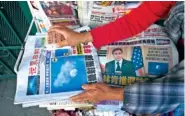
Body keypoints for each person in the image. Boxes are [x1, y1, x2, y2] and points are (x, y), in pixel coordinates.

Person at [48, 1, 184, 115]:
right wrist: (85, 37)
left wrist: (114, 94)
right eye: (117, 53)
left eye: (119, 54)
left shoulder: (130, 64)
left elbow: (176, 91)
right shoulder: (110, 64)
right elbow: (141, 17)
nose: (118, 55)